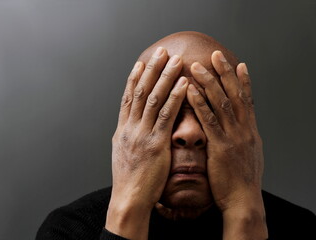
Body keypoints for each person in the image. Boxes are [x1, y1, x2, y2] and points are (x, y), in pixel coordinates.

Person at [36, 31, 316, 240]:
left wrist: (245, 214)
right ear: (129, 129)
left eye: (211, 109)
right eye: (164, 111)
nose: (190, 133)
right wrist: (128, 209)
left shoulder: (300, 229)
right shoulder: (69, 229)